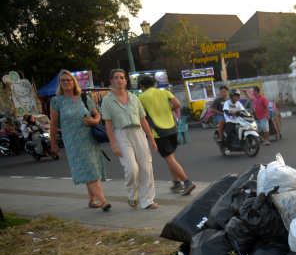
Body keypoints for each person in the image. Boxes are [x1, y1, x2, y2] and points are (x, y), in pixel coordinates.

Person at [49, 70, 110, 211]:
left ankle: (91, 200)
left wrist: (94, 121)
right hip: (73, 142)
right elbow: (53, 124)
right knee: (88, 169)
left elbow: (97, 115)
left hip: (89, 139)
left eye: (68, 80)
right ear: (60, 84)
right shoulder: (57, 101)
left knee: (90, 169)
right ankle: (103, 201)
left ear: (73, 82)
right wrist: (53, 144)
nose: (65, 82)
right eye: (62, 80)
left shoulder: (84, 98)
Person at [101, 68, 158, 209]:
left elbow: (143, 119)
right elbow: (108, 125)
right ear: (111, 81)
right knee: (132, 168)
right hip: (121, 134)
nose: (119, 80)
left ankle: (147, 201)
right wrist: (113, 145)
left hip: (138, 133)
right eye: (116, 78)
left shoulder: (134, 97)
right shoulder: (107, 100)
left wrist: (152, 139)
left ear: (126, 81)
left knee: (146, 167)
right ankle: (132, 196)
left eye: (121, 77)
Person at [137, 75, 195, 195]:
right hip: (173, 128)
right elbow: (177, 104)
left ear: (141, 85)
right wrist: (169, 110)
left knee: (169, 159)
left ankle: (187, 182)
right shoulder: (164, 92)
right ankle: (176, 182)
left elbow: (141, 116)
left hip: (159, 131)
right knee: (170, 158)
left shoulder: (141, 97)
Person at [222, 88, 246, 155]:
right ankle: (227, 147)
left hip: (238, 120)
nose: (236, 97)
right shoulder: (227, 102)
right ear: (231, 96)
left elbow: (243, 111)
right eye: (234, 96)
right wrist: (231, 113)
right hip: (230, 120)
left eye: (237, 96)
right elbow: (226, 111)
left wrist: (249, 114)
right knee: (230, 131)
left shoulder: (238, 103)